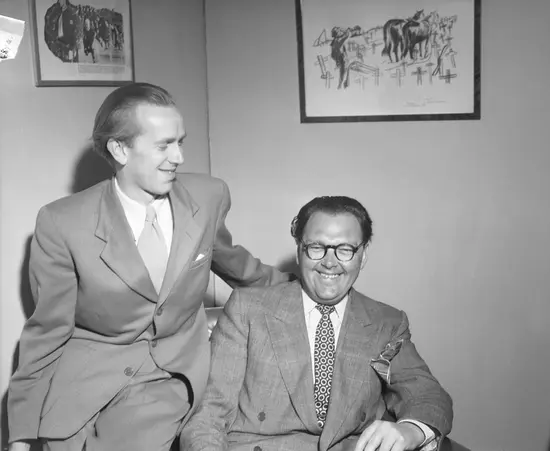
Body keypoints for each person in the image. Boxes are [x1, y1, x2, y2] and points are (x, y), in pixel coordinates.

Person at [7, 82, 291, 451]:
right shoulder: (62, 222)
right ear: (120, 149)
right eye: (163, 145)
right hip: (81, 386)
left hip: (168, 376)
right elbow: (47, 331)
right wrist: (21, 435)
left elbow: (240, 267)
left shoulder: (208, 197)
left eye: (180, 142)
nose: (179, 157)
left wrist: (304, 284)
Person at [181, 196, 453, 451]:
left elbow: (428, 395)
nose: (329, 263)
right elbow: (208, 415)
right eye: (316, 247)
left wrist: (411, 431)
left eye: (345, 249)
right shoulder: (247, 309)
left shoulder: (387, 322)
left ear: (363, 255)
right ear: (299, 251)